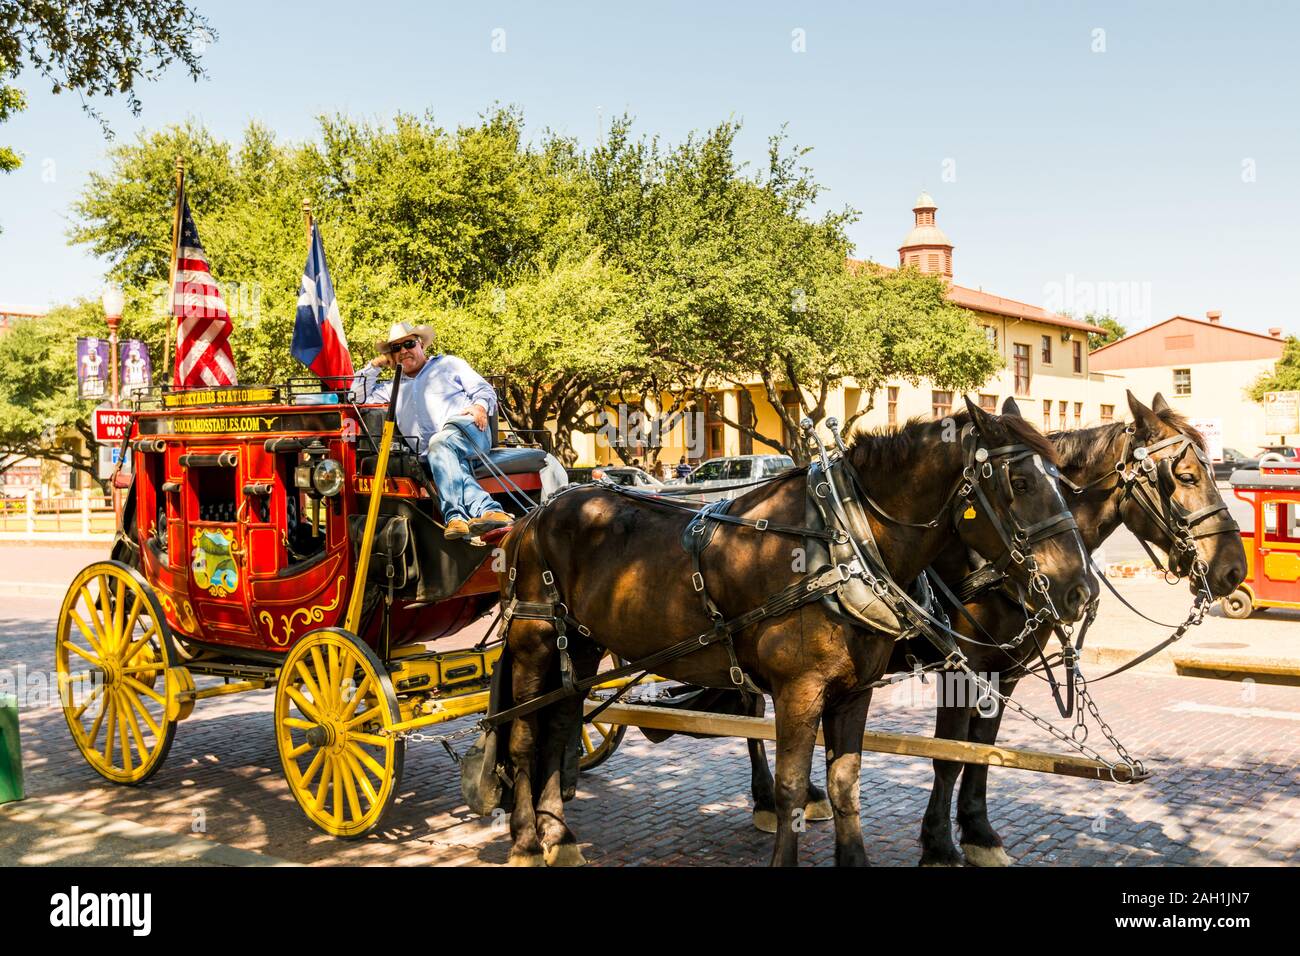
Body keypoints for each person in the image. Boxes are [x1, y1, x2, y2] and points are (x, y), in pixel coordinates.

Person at [352, 322, 512, 540]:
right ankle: (491, 511)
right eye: (396, 348)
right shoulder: (392, 388)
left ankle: (455, 516)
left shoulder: (449, 364)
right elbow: (355, 397)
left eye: (409, 344)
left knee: (440, 443)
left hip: (470, 431)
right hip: (433, 453)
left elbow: (483, 389)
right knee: (443, 454)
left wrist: (480, 407)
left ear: (421, 345)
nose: (403, 351)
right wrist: (377, 363)